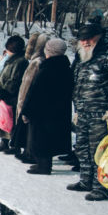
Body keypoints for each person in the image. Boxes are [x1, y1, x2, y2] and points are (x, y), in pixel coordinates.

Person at [68, 22, 108, 201]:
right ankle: (86, 180)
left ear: (99, 36)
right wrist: (77, 109)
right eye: (82, 39)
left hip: (102, 114)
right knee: (82, 149)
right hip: (85, 111)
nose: (85, 42)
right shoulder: (84, 57)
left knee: (99, 152)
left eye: (89, 39)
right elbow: (79, 84)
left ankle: (101, 187)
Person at [20, 38, 73, 175]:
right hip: (58, 110)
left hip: (42, 111)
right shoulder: (65, 67)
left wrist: (27, 110)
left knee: (41, 139)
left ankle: (43, 166)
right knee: (49, 138)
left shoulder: (47, 68)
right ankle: (43, 164)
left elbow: (36, 92)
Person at [11, 33, 49, 163]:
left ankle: (30, 153)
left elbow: (29, 83)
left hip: (29, 99)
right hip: (26, 98)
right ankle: (28, 151)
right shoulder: (35, 61)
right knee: (27, 127)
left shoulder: (37, 62)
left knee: (30, 128)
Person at [0, 36, 28, 153]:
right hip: (4, 94)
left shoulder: (20, 61)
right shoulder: (11, 60)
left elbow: (15, 80)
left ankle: (14, 144)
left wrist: (5, 91)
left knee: (11, 119)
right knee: (3, 118)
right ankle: (4, 141)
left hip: (11, 95)